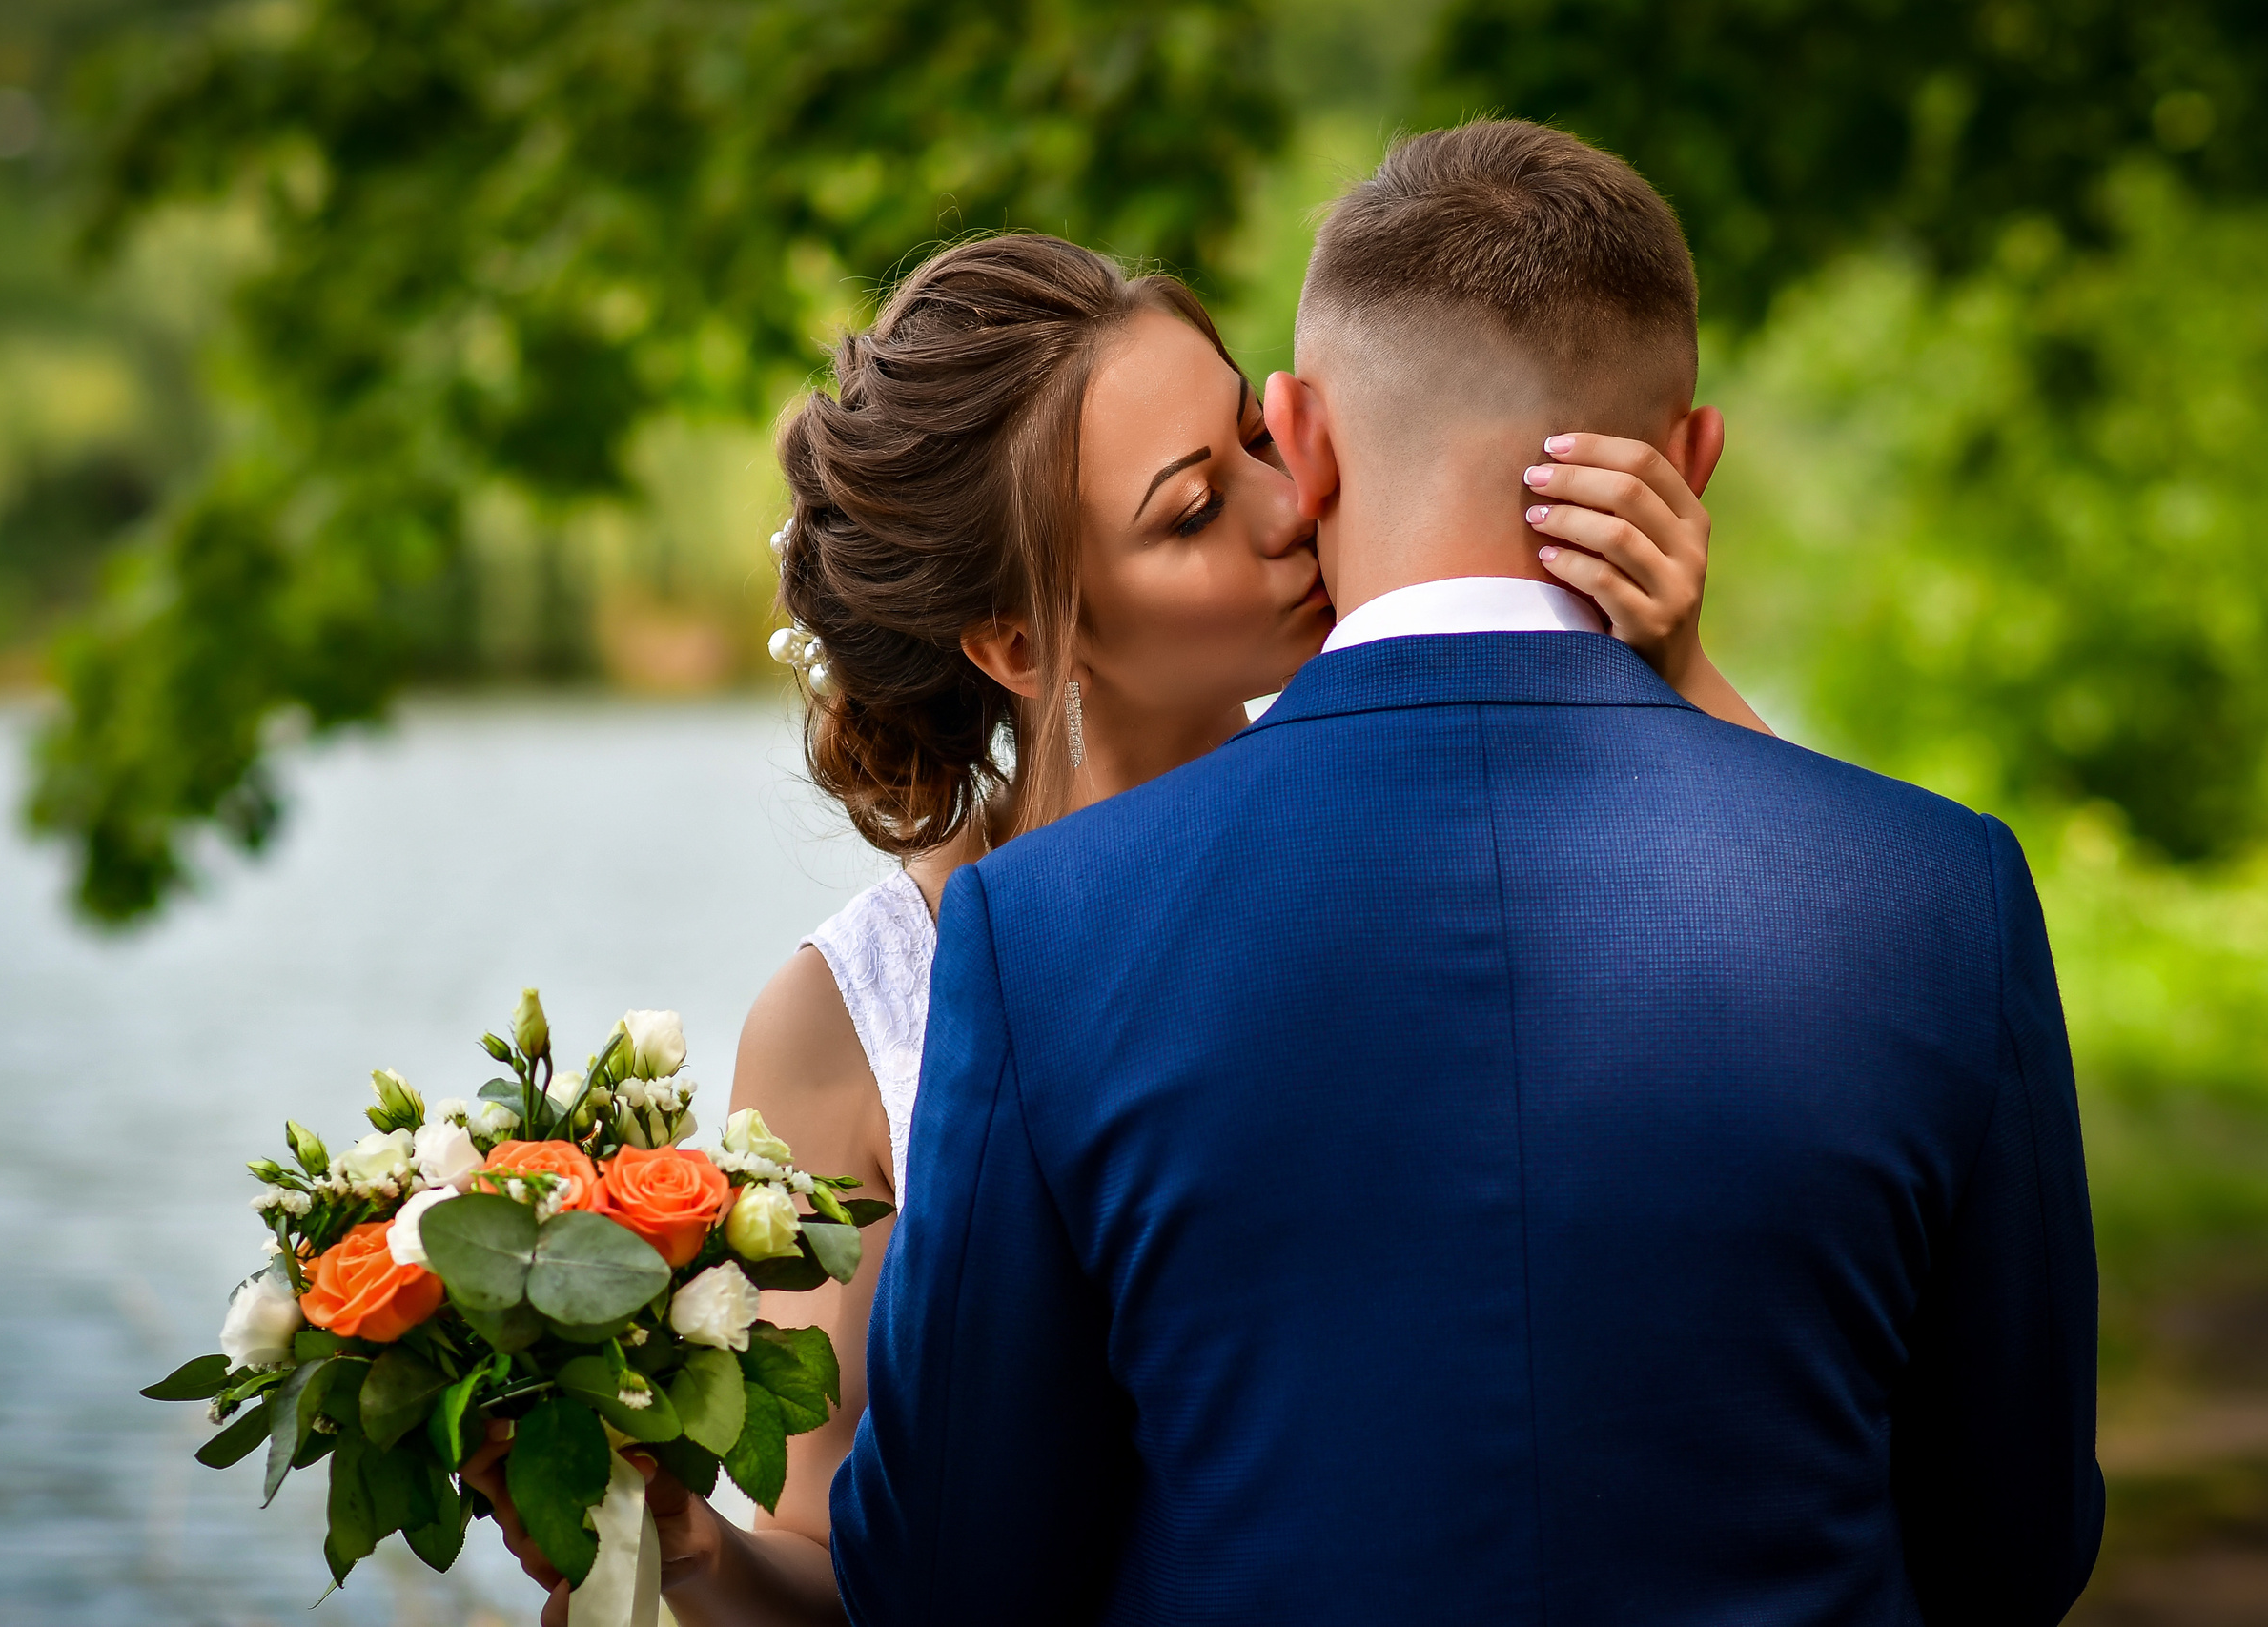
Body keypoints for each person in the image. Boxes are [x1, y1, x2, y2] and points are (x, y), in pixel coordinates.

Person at [829, 121, 2104, 1625]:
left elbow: (946, 1583)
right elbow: (2017, 1541)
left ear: (1302, 440)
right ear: (1693, 458)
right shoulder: (1941, 896)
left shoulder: (1035, 937)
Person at [473, 201, 1770, 1620]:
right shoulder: (849, 1021)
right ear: (1022, 642)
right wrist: (686, 1551)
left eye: (1266, 439)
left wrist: (1674, 676)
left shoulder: (1421, 837)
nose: (1299, 507)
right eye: (1197, 508)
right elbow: (854, 1564)